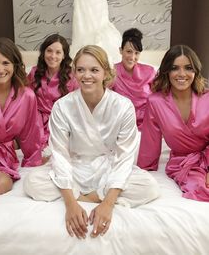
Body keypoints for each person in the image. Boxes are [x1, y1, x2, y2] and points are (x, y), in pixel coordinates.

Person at [24, 45, 160, 239]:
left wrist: (107, 204)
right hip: (75, 165)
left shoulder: (123, 106)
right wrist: (71, 204)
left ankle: (95, 196)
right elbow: (60, 156)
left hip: (108, 165)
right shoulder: (62, 106)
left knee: (149, 186)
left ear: (105, 72)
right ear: (74, 73)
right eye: (81, 70)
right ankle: (85, 195)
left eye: (94, 70)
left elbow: (124, 158)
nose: (86, 75)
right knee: (32, 183)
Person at [0, 37, 42, 199]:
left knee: (2, 184)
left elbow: (30, 133)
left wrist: (34, 159)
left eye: (5, 63)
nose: (0, 69)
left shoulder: (27, 96)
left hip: (4, 156)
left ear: (15, 65)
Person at [137, 44, 209, 201]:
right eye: (175, 68)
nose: (182, 74)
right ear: (167, 71)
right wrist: (142, 173)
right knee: (200, 190)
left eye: (188, 68)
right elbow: (150, 143)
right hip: (183, 163)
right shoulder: (156, 102)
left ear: (195, 71)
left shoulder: (207, 97)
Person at [27, 34, 78, 149]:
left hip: (63, 121)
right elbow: (26, 100)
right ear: (43, 52)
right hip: (37, 121)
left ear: (64, 55)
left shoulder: (72, 76)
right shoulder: (34, 72)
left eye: (58, 52)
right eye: (49, 51)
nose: (53, 56)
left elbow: (77, 105)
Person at [112, 28, 156, 130]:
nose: (132, 57)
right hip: (121, 122)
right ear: (120, 50)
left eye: (136, 53)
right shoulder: (112, 72)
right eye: (129, 51)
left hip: (148, 121)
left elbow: (161, 97)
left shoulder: (150, 72)